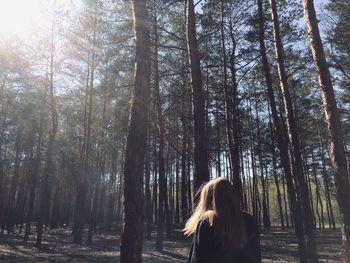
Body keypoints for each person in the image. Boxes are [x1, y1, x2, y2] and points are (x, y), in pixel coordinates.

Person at [184, 177, 261, 263]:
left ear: (207, 200)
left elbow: (198, 259)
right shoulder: (249, 220)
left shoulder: (209, 222)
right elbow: (256, 256)